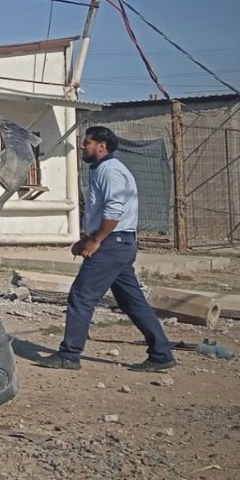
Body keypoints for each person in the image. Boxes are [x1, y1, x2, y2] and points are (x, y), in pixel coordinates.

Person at [41, 126, 177, 372]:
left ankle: (69, 355)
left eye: (87, 142)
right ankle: (161, 354)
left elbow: (115, 210)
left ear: (101, 146)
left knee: (81, 296)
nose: (83, 146)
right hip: (118, 243)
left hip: (112, 244)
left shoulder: (111, 171)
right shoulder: (103, 170)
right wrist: (87, 238)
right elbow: (102, 211)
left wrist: (96, 241)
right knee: (131, 301)